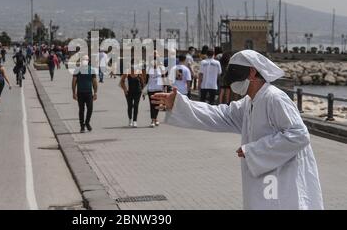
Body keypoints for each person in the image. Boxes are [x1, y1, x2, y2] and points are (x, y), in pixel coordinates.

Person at [152, 50, 324, 210]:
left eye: (235, 72)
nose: (232, 79)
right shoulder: (249, 102)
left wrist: (253, 150)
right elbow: (221, 115)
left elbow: (299, 135)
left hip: (281, 175)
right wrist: (180, 104)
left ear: (252, 72)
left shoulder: (274, 98)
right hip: (265, 174)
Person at [72, 55, 98, 133]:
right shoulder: (77, 70)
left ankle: (86, 123)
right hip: (80, 93)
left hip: (89, 93)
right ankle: (82, 126)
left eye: (85, 59)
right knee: (82, 110)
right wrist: (74, 93)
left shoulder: (91, 70)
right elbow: (74, 82)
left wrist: (95, 92)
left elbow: (94, 82)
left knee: (89, 109)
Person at [120, 60, 145, 128]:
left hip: (138, 92)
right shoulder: (127, 73)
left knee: (136, 106)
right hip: (128, 92)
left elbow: (142, 83)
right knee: (130, 106)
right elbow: (121, 82)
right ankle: (130, 120)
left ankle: (135, 121)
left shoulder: (139, 73)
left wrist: (143, 93)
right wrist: (125, 89)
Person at [146, 51, 166, 127]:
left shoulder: (161, 67)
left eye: (156, 57)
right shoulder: (148, 67)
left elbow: (164, 77)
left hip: (159, 88)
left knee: (157, 104)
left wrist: (165, 88)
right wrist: (144, 89)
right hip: (150, 88)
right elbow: (145, 79)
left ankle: (155, 119)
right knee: (152, 104)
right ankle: (153, 120)